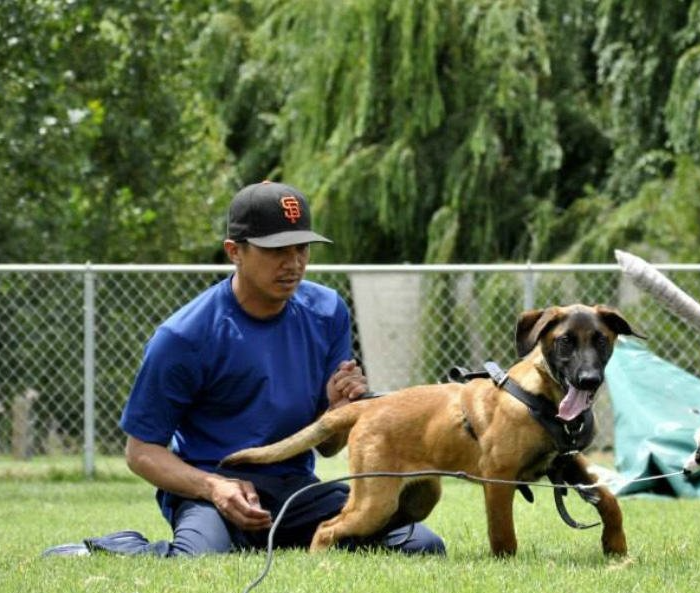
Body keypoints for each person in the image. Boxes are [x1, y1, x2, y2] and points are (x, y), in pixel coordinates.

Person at [44, 181, 445, 557]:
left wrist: (336, 413)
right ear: (234, 251)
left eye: (302, 248)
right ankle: (112, 547)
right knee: (197, 559)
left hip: (296, 491)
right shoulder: (185, 335)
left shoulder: (327, 311)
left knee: (420, 544)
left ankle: (279, 535)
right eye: (276, 250)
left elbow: (326, 446)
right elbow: (141, 452)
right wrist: (214, 487)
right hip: (211, 490)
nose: (294, 263)